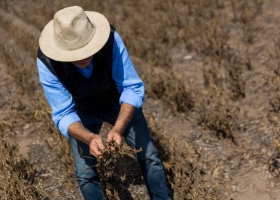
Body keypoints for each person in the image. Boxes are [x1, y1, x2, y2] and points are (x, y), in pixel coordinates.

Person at [36, 6, 171, 200]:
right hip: (81, 110)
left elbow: (131, 87)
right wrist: (90, 138)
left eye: (85, 49)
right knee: (85, 174)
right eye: (74, 53)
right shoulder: (47, 61)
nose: (81, 57)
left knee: (149, 156)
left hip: (117, 101)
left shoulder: (111, 40)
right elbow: (64, 113)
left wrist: (118, 128)